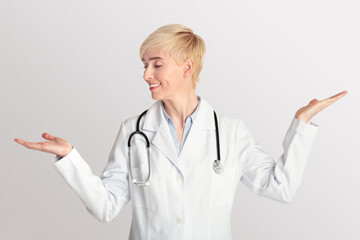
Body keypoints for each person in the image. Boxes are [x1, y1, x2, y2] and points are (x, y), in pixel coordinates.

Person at [14, 24, 347, 240]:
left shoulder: (230, 132)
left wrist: (300, 125)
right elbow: (106, 207)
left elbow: (281, 188)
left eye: (156, 64)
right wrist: (69, 158)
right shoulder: (134, 132)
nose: (146, 74)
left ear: (187, 66)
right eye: (144, 65)